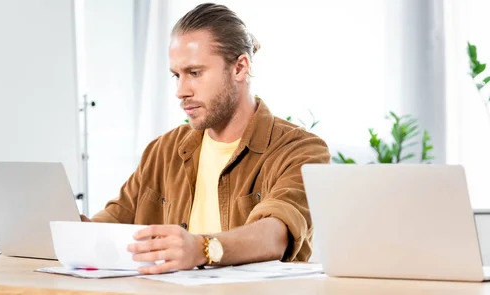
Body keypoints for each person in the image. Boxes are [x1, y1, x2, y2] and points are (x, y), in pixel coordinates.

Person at [82, 3, 330, 274]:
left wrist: (201, 249)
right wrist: (72, 232)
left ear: (239, 68)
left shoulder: (301, 150)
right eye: (177, 75)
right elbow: (112, 224)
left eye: (195, 73)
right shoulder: (162, 150)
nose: (181, 91)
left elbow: (275, 235)